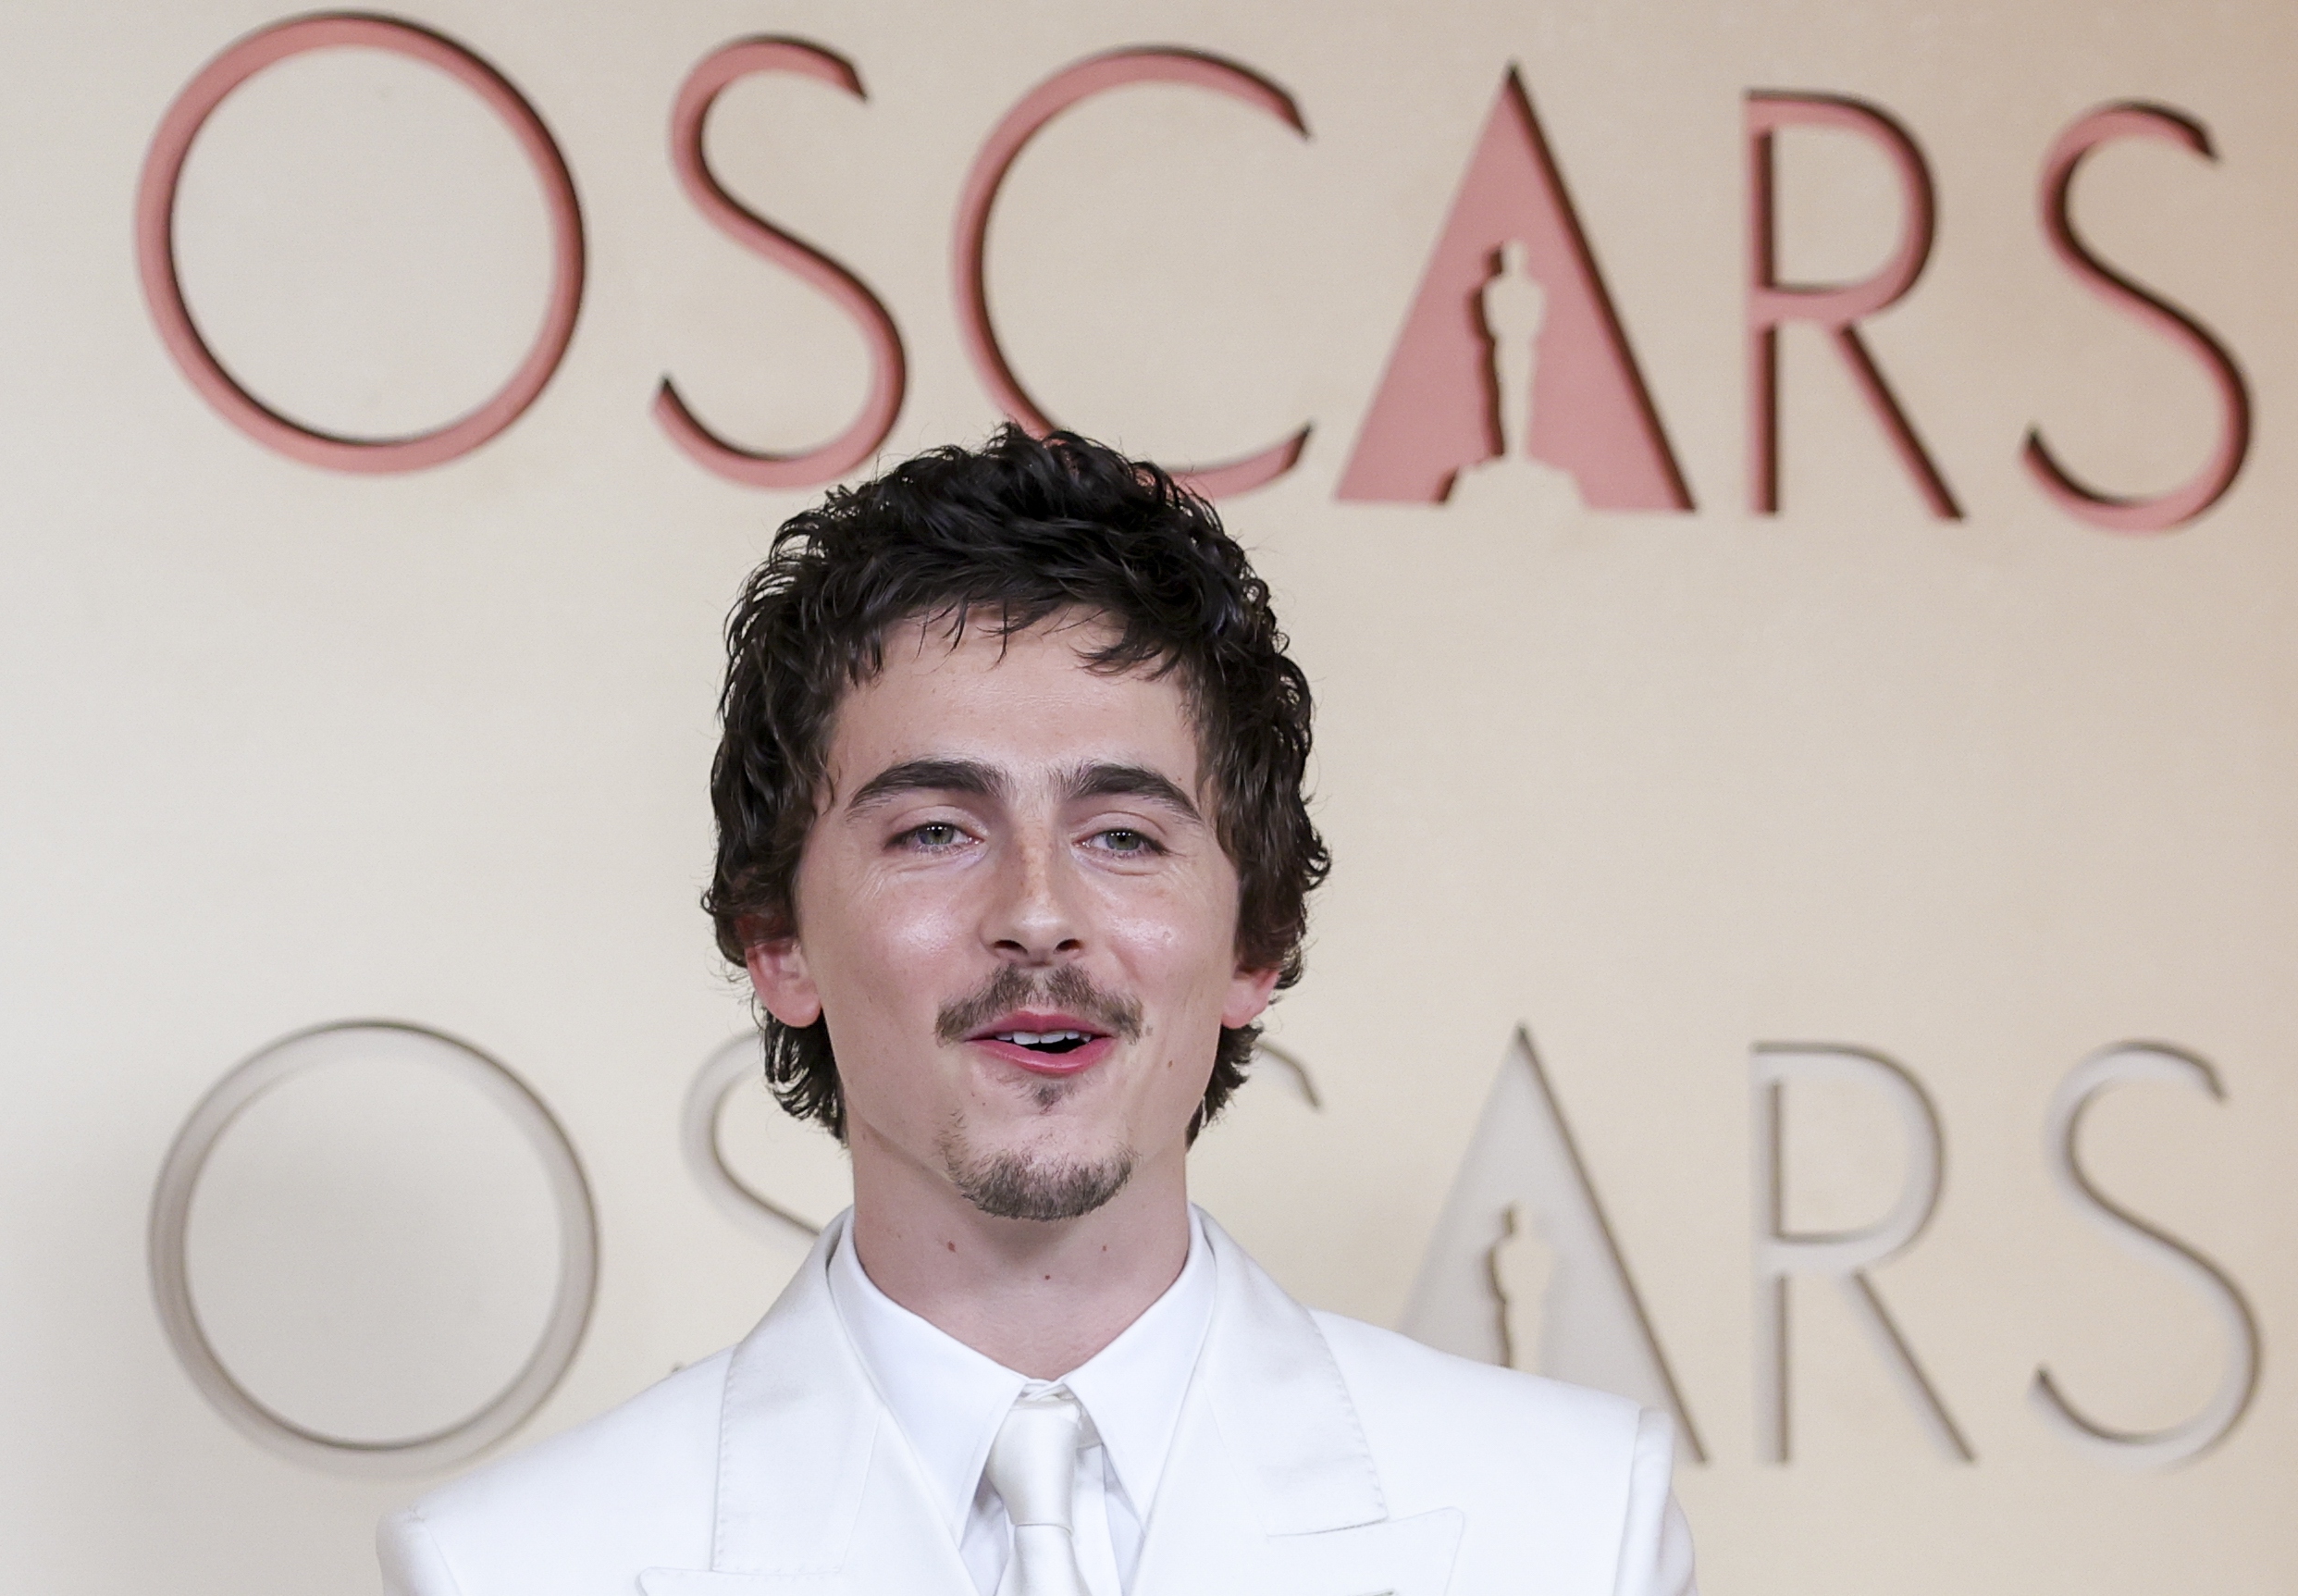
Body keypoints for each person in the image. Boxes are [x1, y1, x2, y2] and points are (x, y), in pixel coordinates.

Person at [377, 427, 1699, 1596]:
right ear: (778, 940)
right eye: (938, 829)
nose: (1038, 911)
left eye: (1123, 834)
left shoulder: (1577, 1528)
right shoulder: (508, 1567)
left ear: (1257, 943)